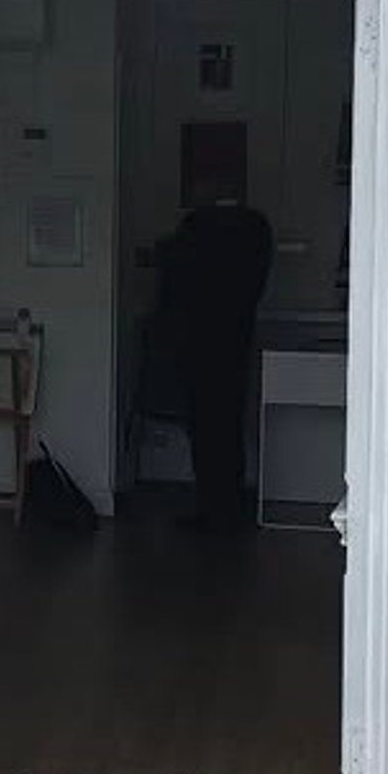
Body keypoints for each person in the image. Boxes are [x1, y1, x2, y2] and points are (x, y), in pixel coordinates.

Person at [151, 201, 274, 532]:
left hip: (197, 345)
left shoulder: (194, 232)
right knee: (227, 426)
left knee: (206, 430)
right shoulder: (253, 231)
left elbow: (172, 289)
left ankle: (212, 507)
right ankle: (226, 506)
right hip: (233, 343)